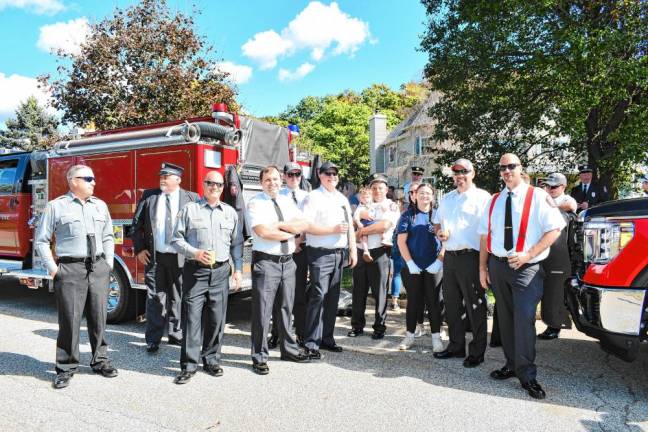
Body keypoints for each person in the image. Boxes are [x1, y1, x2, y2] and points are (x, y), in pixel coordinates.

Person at [478, 153, 565, 400]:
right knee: (504, 319)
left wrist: (528, 254)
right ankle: (511, 365)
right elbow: (485, 235)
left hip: (526, 268)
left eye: (511, 166)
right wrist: (482, 268)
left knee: (524, 321)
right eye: (503, 167)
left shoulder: (537, 196)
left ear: (520, 168)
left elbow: (554, 230)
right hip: (498, 265)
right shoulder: (494, 200)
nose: (507, 171)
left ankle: (527, 375)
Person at [35, 164, 118, 389]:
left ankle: (100, 361)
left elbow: (109, 236)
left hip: (98, 268)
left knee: (99, 317)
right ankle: (66, 367)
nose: (94, 182)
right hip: (70, 269)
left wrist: (108, 264)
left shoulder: (100, 206)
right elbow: (41, 240)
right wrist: (54, 270)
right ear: (73, 181)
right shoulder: (56, 206)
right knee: (70, 320)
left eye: (93, 178)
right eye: (88, 178)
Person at [171, 171, 243, 384]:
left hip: (221, 272)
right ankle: (189, 365)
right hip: (196, 271)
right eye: (210, 183)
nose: (214, 187)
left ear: (223, 188)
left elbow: (236, 244)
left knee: (216, 318)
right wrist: (195, 253)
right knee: (192, 318)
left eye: (219, 184)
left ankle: (211, 359)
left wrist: (238, 269)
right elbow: (176, 239)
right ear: (203, 184)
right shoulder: (189, 210)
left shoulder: (230, 213)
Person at [246, 166, 311, 374]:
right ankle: (259, 357)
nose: (272, 183)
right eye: (267, 180)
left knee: (286, 308)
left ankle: (288, 349)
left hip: (288, 262)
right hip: (266, 263)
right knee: (263, 312)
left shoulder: (286, 201)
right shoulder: (255, 203)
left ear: (280, 180)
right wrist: (289, 232)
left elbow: (303, 224)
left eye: (275, 179)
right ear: (261, 182)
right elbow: (263, 231)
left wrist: (280, 225)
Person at [132, 162, 199, 353]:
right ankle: (153, 339)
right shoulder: (150, 197)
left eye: (166, 176)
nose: (162, 179)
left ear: (177, 179)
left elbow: (197, 229)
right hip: (156, 257)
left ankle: (176, 334)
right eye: (161, 176)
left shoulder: (191, 199)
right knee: (155, 298)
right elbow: (137, 225)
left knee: (178, 296)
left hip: (181, 257)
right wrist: (139, 249)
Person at [433, 158, 491, 367]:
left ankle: (477, 351)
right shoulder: (447, 198)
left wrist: (484, 265)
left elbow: (488, 231)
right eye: (456, 173)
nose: (459, 176)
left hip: (471, 256)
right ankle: (456, 346)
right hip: (450, 257)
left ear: (472, 173)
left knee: (475, 305)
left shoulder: (482, 197)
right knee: (452, 304)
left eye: (464, 172)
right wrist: (439, 231)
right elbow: (437, 220)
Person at [302, 161, 357, 359]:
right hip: (320, 253)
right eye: (328, 174)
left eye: (335, 174)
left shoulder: (341, 197)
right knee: (318, 296)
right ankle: (310, 343)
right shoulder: (313, 197)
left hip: (339, 253)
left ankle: (327, 338)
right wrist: (331, 230)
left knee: (333, 297)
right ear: (320, 174)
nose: (332, 177)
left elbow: (350, 225)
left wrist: (353, 250)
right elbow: (306, 225)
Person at [348, 173, 400, 340]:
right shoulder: (363, 205)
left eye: (380, 188)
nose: (377, 191)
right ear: (370, 189)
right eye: (374, 187)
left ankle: (379, 327)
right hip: (361, 251)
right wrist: (360, 230)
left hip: (380, 252)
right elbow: (352, 230)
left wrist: (362, 231)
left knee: (380, 292)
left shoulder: (391, 205)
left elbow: (384, 225)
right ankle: (357, 326)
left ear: (386, 189)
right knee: (358, 291)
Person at [266, 163, 311, 349]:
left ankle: (300, 333)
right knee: (279, 296)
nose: (294, 178)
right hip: (282, 248)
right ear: (284, 176)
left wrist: (297, 243)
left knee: (299, 294)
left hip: (300, 250)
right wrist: (292, 242)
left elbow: (306, 223)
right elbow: (276, 223)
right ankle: (277, 333)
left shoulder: (307, 197)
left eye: (297, 174)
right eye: (290, 174)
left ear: (301, 176)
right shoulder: (277, 196)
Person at [396, 183, 444, 352]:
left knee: (434, 302)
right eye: (421, 193)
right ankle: (409, 335)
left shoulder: (439, 215)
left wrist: (439, 260)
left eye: (428, 193)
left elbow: (447, 240)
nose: (424, 196)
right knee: (413, 302)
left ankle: (436, 338)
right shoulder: (407, 216)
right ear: (415, 196)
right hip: (412, 266)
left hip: (434, 266)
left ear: (433, 196)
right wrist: (410, 263)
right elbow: (401, 241)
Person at [537, 173, 579, 340]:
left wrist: (549, 205)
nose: (550, 189)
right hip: (542, 252)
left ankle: (554, 325)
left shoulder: (567, 200)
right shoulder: (543, 199)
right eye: (547, 186)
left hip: (559, 254)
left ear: (563, 187)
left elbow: (569, 205)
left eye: (553, 187)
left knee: (554, 292)